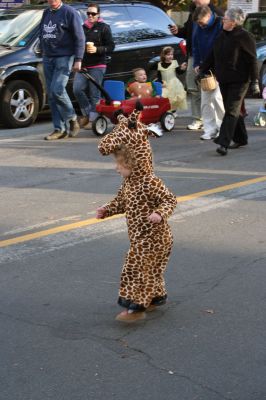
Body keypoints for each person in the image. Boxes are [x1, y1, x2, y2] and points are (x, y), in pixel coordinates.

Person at [96, 143, 177, 322]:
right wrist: (106, 210)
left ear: (133, 164)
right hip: (139, 238)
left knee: (136, 270)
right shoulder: (128, 183)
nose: (116, 168)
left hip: (154, 238)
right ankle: (155, 298)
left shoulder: (150, 182)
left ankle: (135, 309)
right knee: (151, 272)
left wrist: (159, 213)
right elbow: (120, 202)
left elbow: (170, 200)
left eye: (120, 164)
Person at [200, 7, 260, 155]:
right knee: (232, 110)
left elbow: (252, 60)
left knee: (232, 110)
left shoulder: (245, 37)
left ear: (233, 22)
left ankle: (223, 143)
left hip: (240, 80)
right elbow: (212, 55)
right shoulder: (222, 35)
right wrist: (202, 70)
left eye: (225, 19)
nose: (223, 20)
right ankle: (241, 138)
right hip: (224, 79)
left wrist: (255, 81)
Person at [169, 0, 223, 131]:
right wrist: (178, 31)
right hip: (194, 56)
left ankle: (217, 122)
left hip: (212, 59)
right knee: (193, 88)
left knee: (213, 92)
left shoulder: (217, 15)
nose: (193, 1)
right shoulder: (192, 12)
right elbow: (189, 33)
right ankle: (198, 118)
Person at [39, 0, 85, 140]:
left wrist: (78, 59)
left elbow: (80, 37)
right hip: (48, 57)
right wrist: (43, 50)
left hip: (64, 57)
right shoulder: (46, 12)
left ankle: (72, 119)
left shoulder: (70, 12)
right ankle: (59, 129)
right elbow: (42, 33)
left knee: (57, 90)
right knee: (52, 95)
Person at [73, 3, 115, 131]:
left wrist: (97, 49)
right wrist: (76, 60)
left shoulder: (104, 28)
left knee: (94, 94)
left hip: (98, 65)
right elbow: (77, 45)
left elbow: (111, 47)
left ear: (98, 15)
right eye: (88, 13)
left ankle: (93, 120)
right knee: (77, 89)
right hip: (84, 65)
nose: (90, 16)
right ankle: (87, 114)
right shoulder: (82, 28)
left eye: (93, 14)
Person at [192, 5, 225, 140]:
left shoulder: (220, 24)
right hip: (204, 68)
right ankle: (209, 129)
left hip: (218, 67)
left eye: (201, 21)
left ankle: (222, 128)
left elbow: (221, 48)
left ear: (208, 15)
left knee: (217, 99)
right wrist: (196, 64)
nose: (200, 25)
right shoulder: (198, 27)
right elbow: (195, 46)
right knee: (205, 101)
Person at [157, 46, 187, 115]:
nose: (170, 56)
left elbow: (178, 72)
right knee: (166, 98)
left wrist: (182, 68)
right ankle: (168, 111)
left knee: (174, 99)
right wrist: (160, 83)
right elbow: (159, 76)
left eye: (171, 54)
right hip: (165, 84)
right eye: (168, 55)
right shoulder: (159, 65)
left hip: (174, 84)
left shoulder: (174, 63)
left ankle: (173, 111)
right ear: (164, 55)